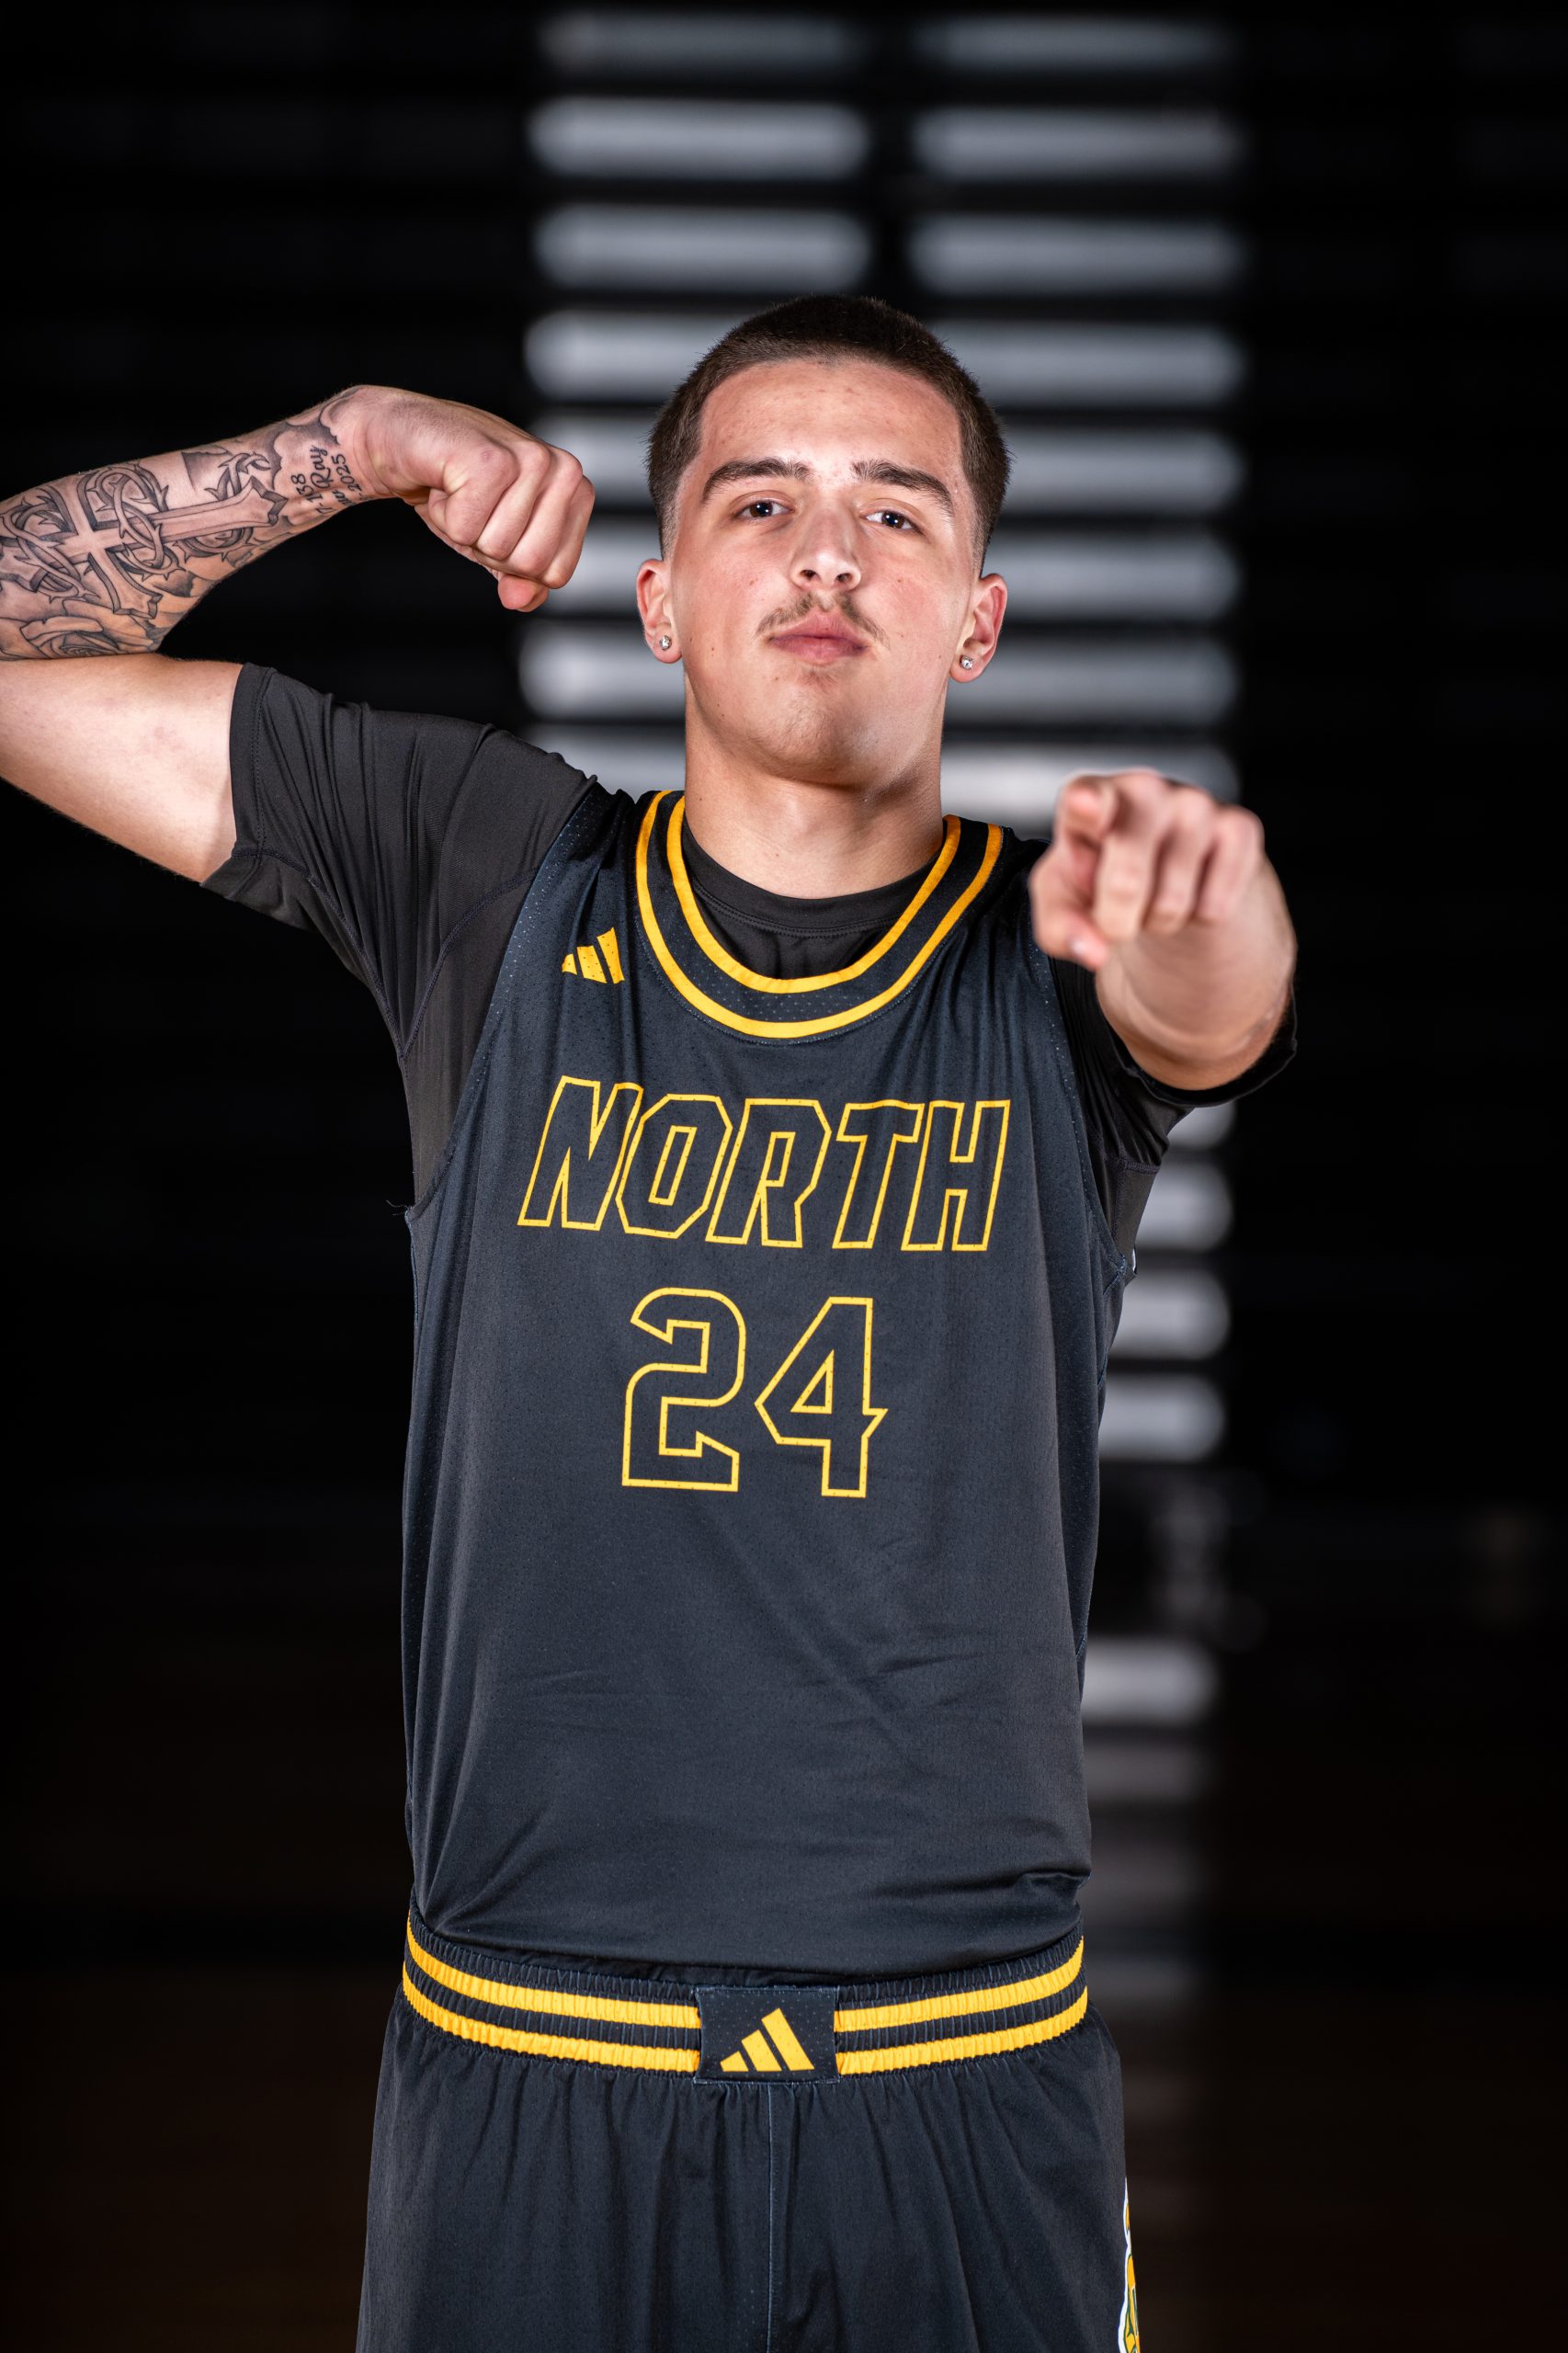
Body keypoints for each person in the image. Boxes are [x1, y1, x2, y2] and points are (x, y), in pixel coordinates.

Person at [0, 294, 1295, 2352]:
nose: (825, 550)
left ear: (974, 620)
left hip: (958, 2070)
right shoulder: (484, 872)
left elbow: (1209, 1004)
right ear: (663, 599)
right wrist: (345, 446)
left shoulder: (1054, 953)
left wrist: (1207, 897)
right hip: (529, 2054)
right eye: (757, 500)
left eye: (896, 511)